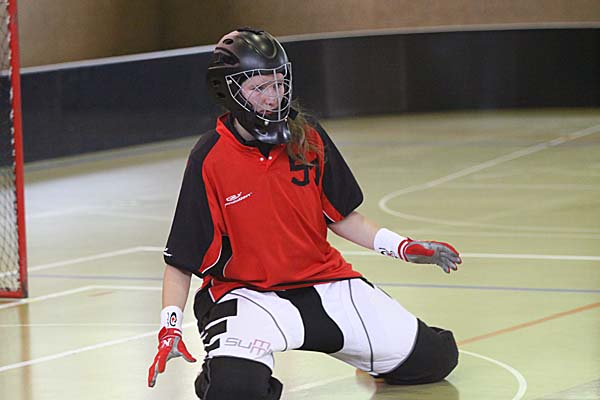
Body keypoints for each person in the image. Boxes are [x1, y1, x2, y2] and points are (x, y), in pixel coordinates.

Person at [147, 27, 462, 399]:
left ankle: (371, 355)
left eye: (279, 83)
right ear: (227, 91)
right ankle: (220, 369)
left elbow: (343, 217)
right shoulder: (209, 157)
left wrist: (404, 248)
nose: (273, 96)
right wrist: (170, 326)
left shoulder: (308, 135)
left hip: (326, 284)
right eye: (259, 87)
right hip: (249, 296)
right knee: (235, 391)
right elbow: (180, 260)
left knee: (435, 359)